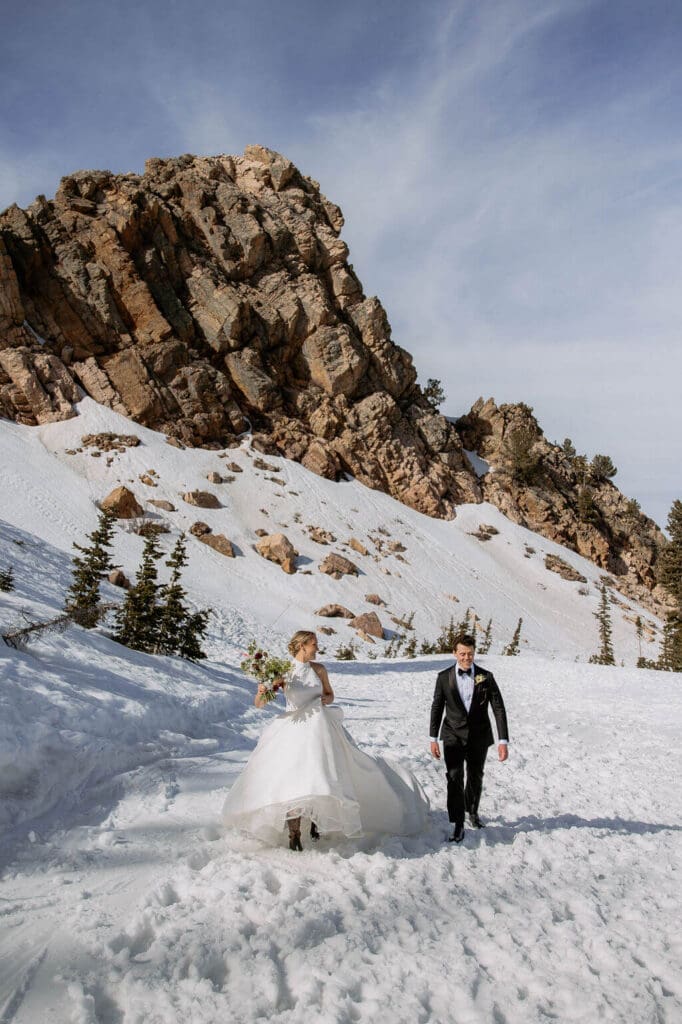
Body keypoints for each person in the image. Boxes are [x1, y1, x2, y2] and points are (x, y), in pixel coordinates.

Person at [223, 630, 429, 850]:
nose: (317, 648)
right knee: (291, 779)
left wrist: (324, 699)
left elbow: (330, 695)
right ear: (302, 646)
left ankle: (315, 821)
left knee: (319, 774)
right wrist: (262, 690)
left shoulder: (319, 669)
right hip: (292, 729)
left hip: (319, 728)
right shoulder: (284, 672)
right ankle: (294, 833)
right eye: (314, 644)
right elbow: (259, 703)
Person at [429, 632, 509, 844]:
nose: (466, 658)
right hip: (452, 734)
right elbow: (437, 707)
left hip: (479, 735)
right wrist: (433, 737)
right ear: (454, 653)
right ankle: (457, 823)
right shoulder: (443, 677)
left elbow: (498, 708)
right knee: (454, 777)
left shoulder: (486, 677)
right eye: (463, 654)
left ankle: (472, 811)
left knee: (475, 776)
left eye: (470, 654)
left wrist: (503, 741)